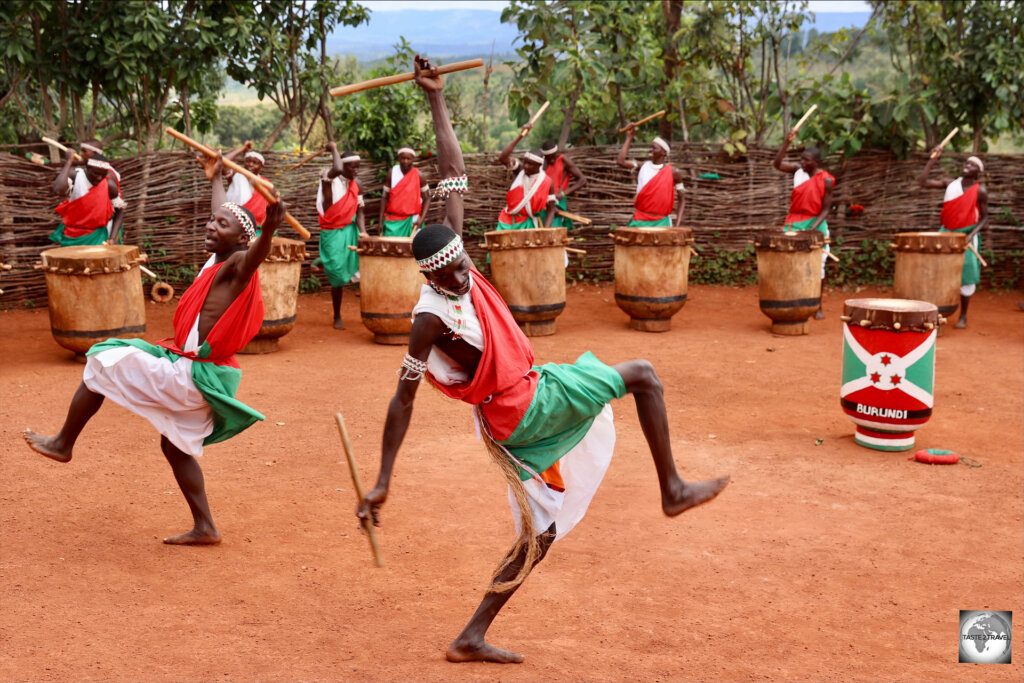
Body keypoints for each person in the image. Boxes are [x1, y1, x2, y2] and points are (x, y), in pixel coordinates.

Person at [357, 56, 729, 665]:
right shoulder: (429, 317)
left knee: (542, 532)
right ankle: (673, 488)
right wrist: (382, 481)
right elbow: (404, 396)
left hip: (531, 390)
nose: (464, 272)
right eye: (452, 272)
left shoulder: (454, 250)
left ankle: (471, 635)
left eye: (463, 261)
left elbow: (451, 171)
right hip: (520, 412)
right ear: (429, 276)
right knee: (642, 375)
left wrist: (436, 99)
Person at [24, 151, 285, 546]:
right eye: (213, 221)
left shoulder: (235, 266)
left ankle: (63, 444)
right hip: (198, 374)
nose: (212, 226)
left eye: (222, 225)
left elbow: (254, 253)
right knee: (174, 445)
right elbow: (227, 212)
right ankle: (206, 527)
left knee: (102, 358)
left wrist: (268, 231)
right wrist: (215, 176)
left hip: (191, 377)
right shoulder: (218, 255)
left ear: (241, 239)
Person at [918, 152, 988, 328]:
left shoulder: (980, 191)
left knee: (967, 273)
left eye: (972, 165)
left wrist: (971, 236)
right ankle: (937, 315)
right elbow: (923, 183)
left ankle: (963, 316)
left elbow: (985, 218)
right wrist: (932, 160)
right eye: (967, 162)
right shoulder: (950, 184)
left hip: (967, 236)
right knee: (939, 272)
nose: (967, 165)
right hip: (946, 233)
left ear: (977, 172)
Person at [772, 129, 835, 320]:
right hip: (794, 223)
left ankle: (817, 305)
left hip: (816, 223)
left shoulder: (826, 180)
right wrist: (786, 142)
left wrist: (812, 229)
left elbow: (825, 209)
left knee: (818, 266)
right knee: (785, 261)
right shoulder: (797, 171)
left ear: (816, 161)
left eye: (807, 159)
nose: (803, 162)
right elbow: (777, 164)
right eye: (802, 158)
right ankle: (790, 300)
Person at [316, 141, 368, 329]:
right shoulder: (327, 179)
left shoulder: (357, 185)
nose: (355, 171)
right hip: (331, 233)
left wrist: (363, 232)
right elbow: (336, 168)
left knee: (361, 270)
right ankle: (337, 315)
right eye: (352, 167)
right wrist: (333, 148)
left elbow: (360, 210)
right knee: (336, 275)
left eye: (357, 167)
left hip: (350, 231)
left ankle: (369, 312)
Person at [49, 146, 125, 246]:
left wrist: (113, 237)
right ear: (87, 168)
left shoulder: (109, 185)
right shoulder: (76, 176)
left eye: (103, 175)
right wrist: (68, 162)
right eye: (95, 173)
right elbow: (58, 189)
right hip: (72, 236)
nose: (99, 178)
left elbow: (120, 212)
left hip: (98, 236)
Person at [616, 126, 686, 227]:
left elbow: (682, 200)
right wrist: (629, 137)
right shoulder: (642, 166)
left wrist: (677, 226)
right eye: (651, 147)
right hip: (639, 220)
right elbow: (620, 161)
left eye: (654, 148)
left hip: (662, 223)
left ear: (664, 152)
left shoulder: (674, 172)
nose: (650, 150)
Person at [494, 125, 557, 230]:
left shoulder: (547, 182)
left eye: (530, 164)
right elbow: (503, 158)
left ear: (538, 166)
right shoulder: (519, 171)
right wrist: (520, 136)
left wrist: (546, 231)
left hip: (527, 225)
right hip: (506, 222)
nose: (525, 166)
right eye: (525, 162)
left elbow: (551, 209)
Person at [377, 146, 431, 237]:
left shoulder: (419, 175)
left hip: (412, 221)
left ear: (413, 159)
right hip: (393, 221)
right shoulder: (392, 173)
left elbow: (427, 197)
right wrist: (380, 220)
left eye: (408, 158)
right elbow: (384, 197)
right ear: (398, 158)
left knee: (412, 249)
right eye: (403, 158)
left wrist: (421, 219)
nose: (405, 161)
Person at [222, 140, 269, 230]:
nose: (250, 164)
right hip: (232, 224)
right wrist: (242, 149)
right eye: (248, 161)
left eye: (255, 163)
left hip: (255, 228)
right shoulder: (236, 176)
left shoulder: (266, 184)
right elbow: (222, 163)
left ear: (261, 167)